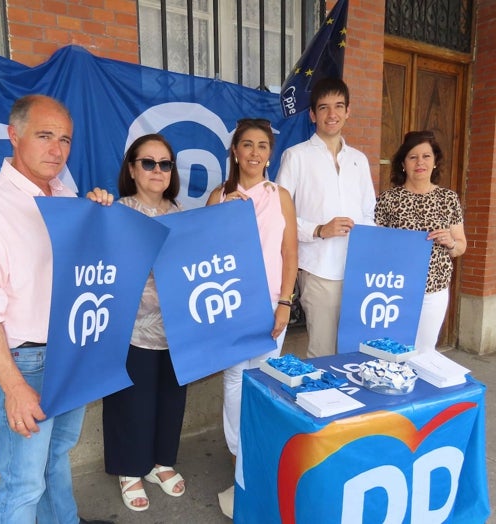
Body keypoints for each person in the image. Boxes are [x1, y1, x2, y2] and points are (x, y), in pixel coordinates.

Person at [0, 94, 114, 523]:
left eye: (64, 139)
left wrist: (97, 218)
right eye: (44, 136)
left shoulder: (68, 195)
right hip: (27, 361)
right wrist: (14, 386)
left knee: (57, 458)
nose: (56, 150)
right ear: (13, 135)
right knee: (22, 481)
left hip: (70, 351)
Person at [205, 118, 298, 519]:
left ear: (270, 153)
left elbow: (290, 254)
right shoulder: (218, 196)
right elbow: (205, 255)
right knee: (233, 380)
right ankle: (237, 458)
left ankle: (260, 460)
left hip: (269, 305)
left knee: (262, 381)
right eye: (247, 145)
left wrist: (285, 302)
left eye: (262, 145)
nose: (255, 153)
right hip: (230, 304)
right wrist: (223, 215)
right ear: (235, 151)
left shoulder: (281, 196)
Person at [91, 134, 187, 513]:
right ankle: (129, 469)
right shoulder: (114, 212)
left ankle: (162, 461)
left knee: (170, 398)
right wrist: (93, 209)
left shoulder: (181, 213)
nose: (158, 170)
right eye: (148, 162)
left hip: (178, 329)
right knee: (130, 401)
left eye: (165, 164)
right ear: (132, 169)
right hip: (129, 329)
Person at [276, 77, 376, 358]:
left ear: (348, 111)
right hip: (319, 269)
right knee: (323, 353)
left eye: (338, 106)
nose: (332, 115)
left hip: (358, 270)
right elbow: (279, 216)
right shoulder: (296, 157)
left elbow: (370, 212)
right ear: (312, 114)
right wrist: (319, 229)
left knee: (356, 350)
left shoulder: (359, 160)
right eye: (323, 108)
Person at [374, 130, 467, 353]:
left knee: (424, 351)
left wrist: (450, 242)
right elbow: (376, 246)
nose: (420, 162)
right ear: (403, 163)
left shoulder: (448, 199)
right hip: (395, 290)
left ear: (435, 162)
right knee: (393, 350)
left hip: (433, 291)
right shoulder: (388, 199)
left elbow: (461, 246)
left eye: (426, 156)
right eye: (413, 157)